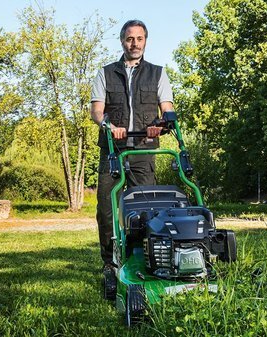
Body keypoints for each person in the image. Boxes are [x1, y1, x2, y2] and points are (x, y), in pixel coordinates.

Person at [90, 19, 175, 297]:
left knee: (146, 210)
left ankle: (142, 258)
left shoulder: (158, 74)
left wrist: (161, 124)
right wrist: (109, 126)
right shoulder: (105, 74)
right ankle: (108, 263)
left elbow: (168, 109)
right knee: (106, 208)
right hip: (113, 151)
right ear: (122, 41)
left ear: (145, 41)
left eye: (139, 38)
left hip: (143, 150)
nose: (134, 43)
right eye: (129, 39)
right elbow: (96, 111)